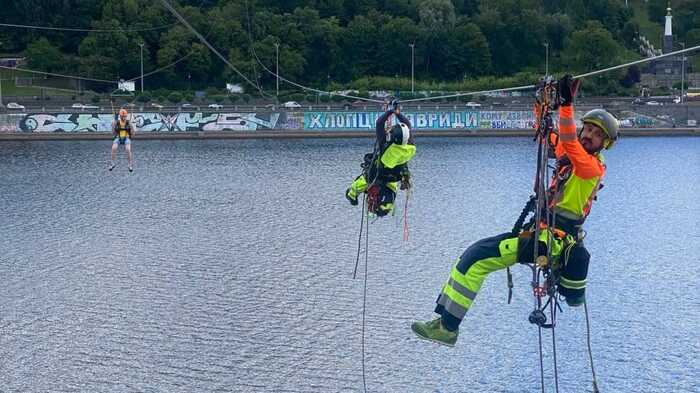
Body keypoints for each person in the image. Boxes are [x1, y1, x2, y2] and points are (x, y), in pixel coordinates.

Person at [411, 75, 619, 347]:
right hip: (543, 233)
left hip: (551, 241)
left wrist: (567, 105)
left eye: (598, 134)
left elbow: (567, 141)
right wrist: (542, 103)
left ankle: (449, 328)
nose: (590, 136)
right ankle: (444, 321)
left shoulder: (589, 168)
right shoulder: (575, 157)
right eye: (589, 129)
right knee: (471, 255)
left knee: (475, 260)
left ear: (605, 144)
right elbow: (552, 135)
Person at [345, 101, 416, 216]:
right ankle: (379, 207)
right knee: (385, 208)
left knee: (358, 188)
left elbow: (379, 123)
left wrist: (390, 111)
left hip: (375, 175)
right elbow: (407, 125)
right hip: (392, 180)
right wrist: (398, 113)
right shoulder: (410, 147)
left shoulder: (385, 146)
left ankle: (352, 195)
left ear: (392, 136)